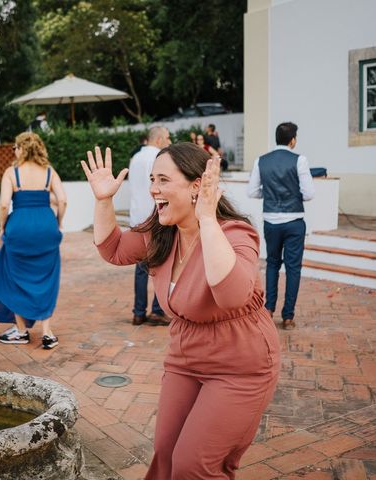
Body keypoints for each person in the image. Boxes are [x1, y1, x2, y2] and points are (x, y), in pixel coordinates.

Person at [81, 143, 280, 479]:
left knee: (193, 464)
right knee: (166, 455)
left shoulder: (235, 233)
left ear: (195, 187)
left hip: (240, 364)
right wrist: (103, 200)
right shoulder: (161, 233)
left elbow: (231, 294)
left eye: (163, 180)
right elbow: (113, 249)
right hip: (185, 358)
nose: (153, 189)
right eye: (151, 180)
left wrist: (206, 218)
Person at [0, 132, 66, 349]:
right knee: (48, 278)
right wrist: (58, 223)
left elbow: (3, 205)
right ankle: (47, 333)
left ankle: (21, 331)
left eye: (15, 148)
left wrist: (2, 226)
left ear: (21, 148)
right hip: (46, 225)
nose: (14, 151)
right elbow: (63, 200)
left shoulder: (12, 172)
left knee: (15, 278)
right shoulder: (49, 172)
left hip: (19, 227)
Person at [247, 122, 314, 330]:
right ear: (292, 140)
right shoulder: (299, 160)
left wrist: (268, 194)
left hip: (271, 221)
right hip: (294, 221)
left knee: (273, 263)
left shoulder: (261, 161)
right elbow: (309, 194)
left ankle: (268, 309)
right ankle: (288, 316)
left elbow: (252, 192)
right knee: (293, 268)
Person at [128, 126, 171, 326]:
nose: (169, 141)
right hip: (153, 218)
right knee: (161, 266)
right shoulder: (159, 158)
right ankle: (157, 309)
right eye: (168, 138)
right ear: (160, 139)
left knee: (141, 268)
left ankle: (138, 312)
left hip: (136, 217)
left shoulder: (136, 157)